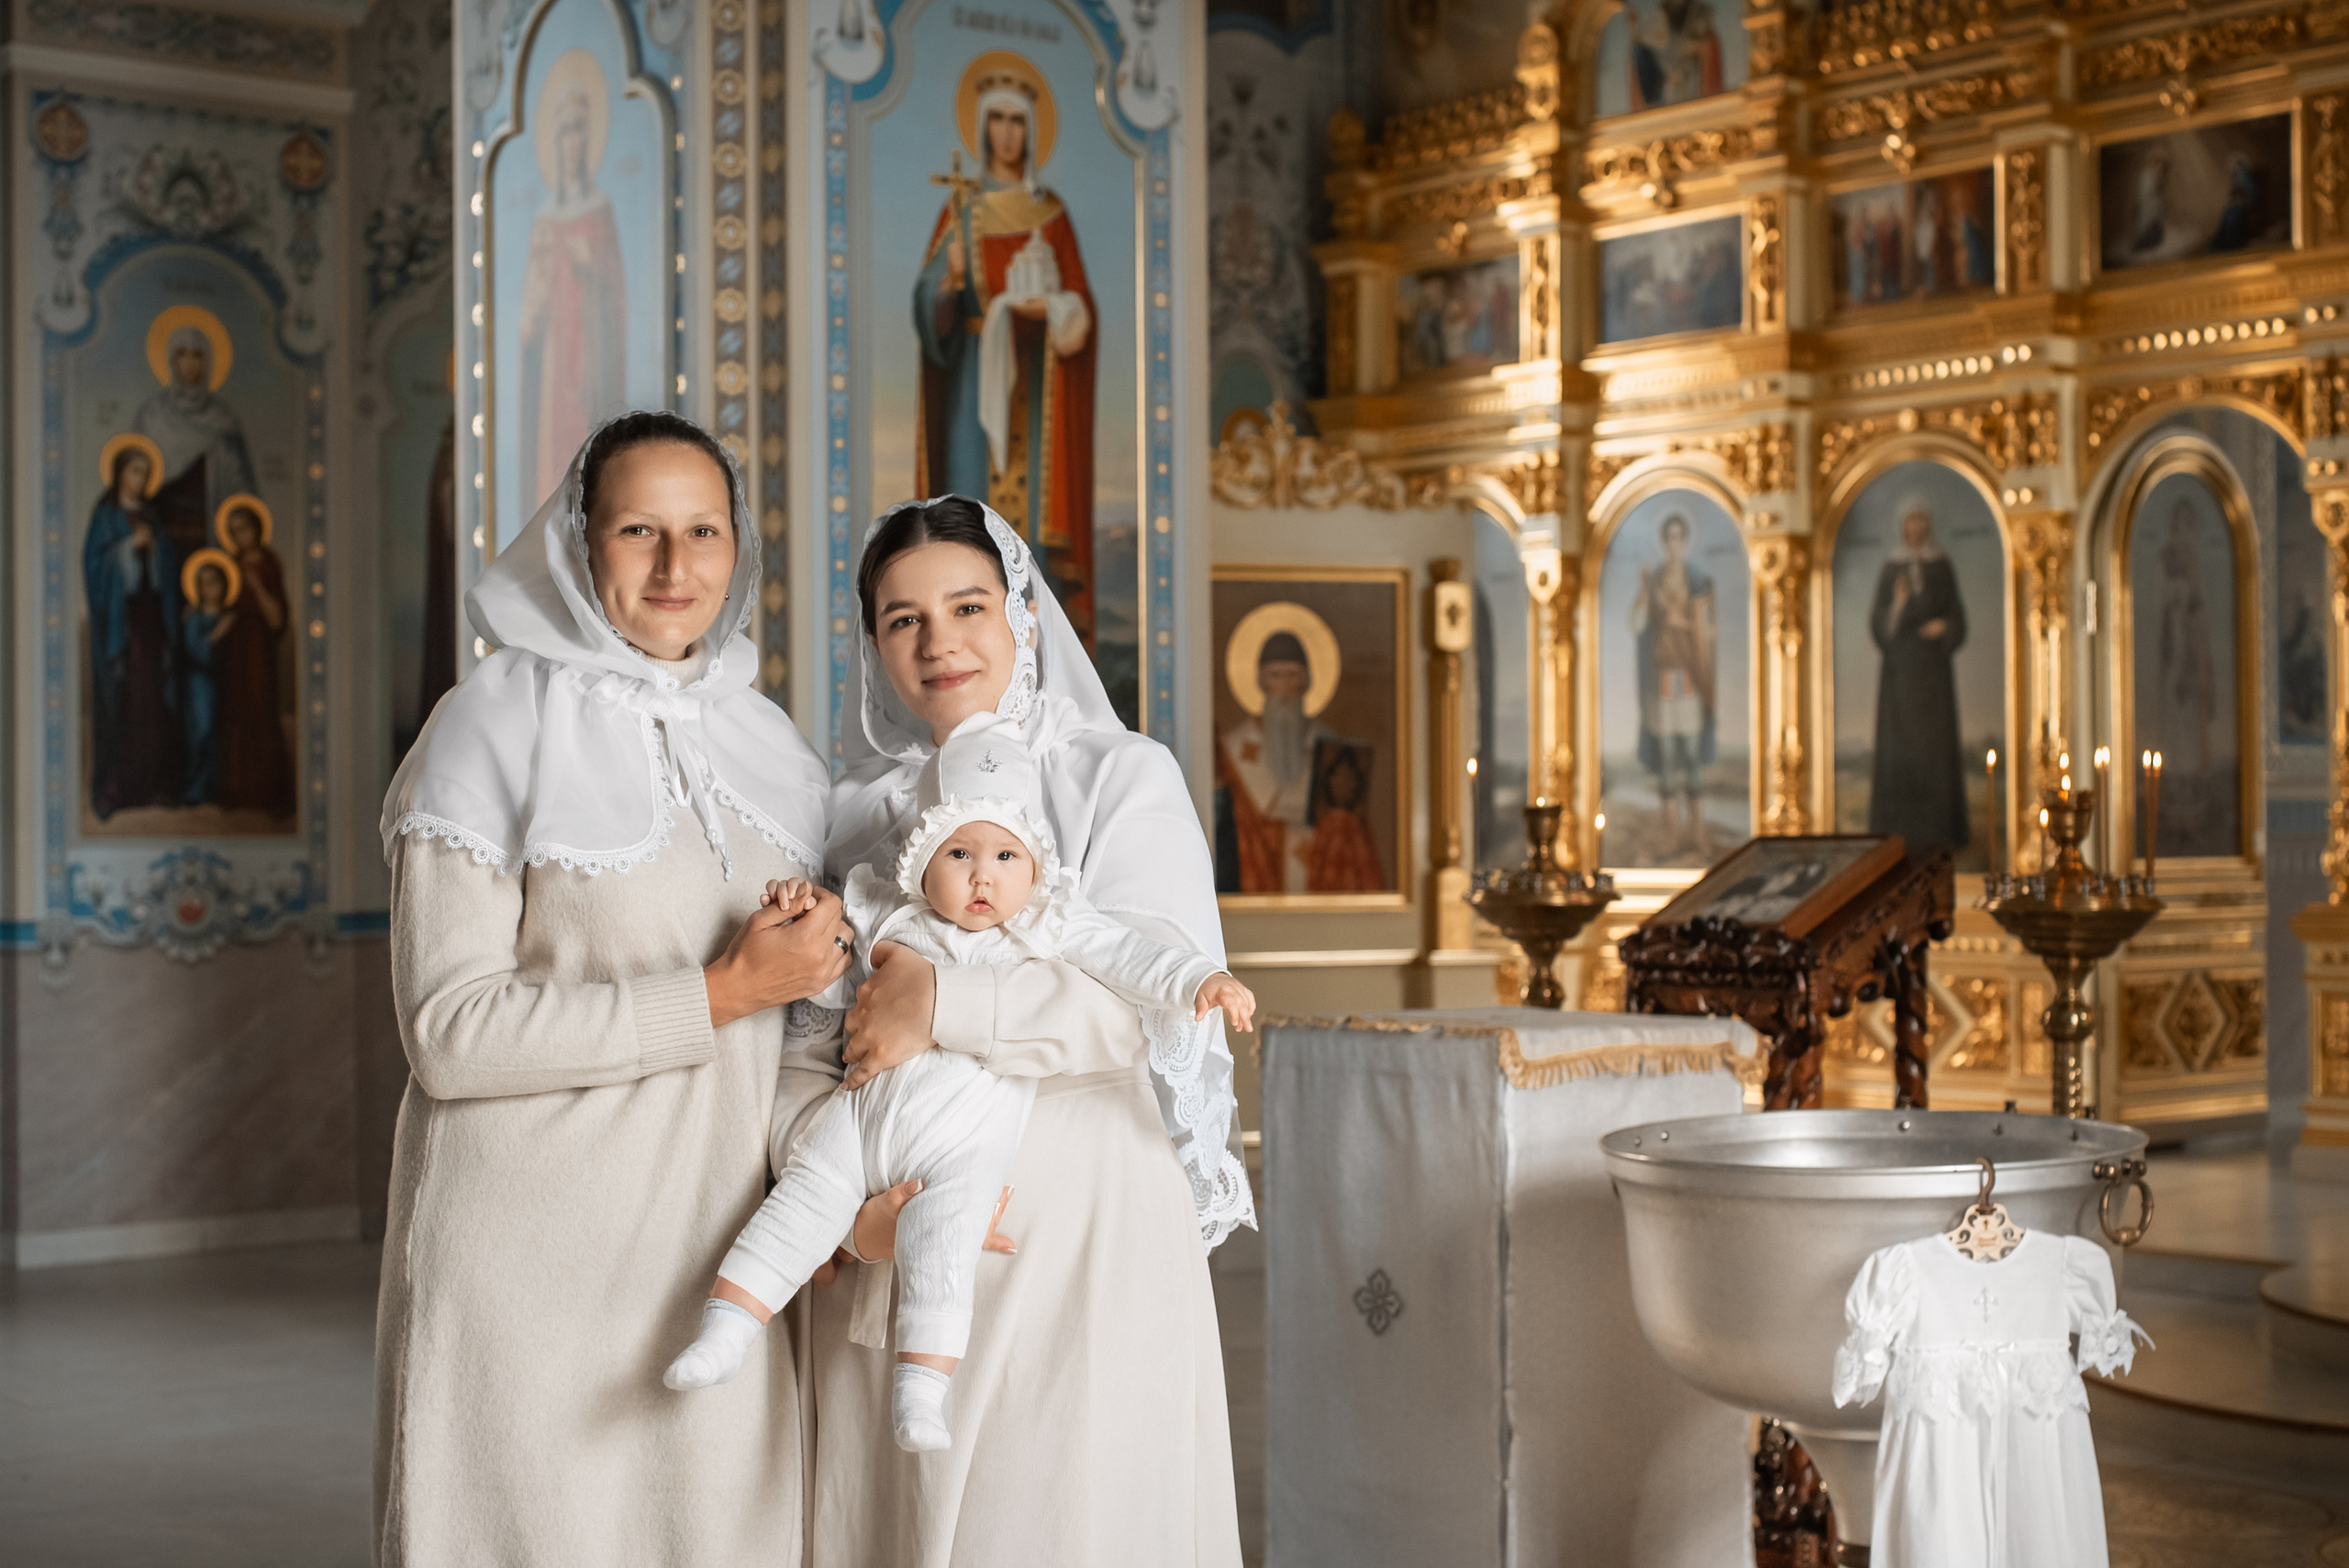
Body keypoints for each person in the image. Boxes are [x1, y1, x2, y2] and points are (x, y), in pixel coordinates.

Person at [373, 410, 860, 1565]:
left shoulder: (771, 745)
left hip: (717, 1257)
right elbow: (450, 1033)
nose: (674, 566)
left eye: (704, 530)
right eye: (637, 528)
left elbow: (801, 1021)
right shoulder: (490, 722)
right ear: (578, 545)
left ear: (742, 548)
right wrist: (719, 992)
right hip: (528, 1261)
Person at [813, 492, 1250, 1564]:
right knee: (907, 1521)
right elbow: (822, 1027)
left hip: (1084, 1216)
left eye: (968, 604)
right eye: (901, 618)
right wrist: (842, 1216)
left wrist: (941, 1003)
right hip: (901, 1213)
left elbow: (1149, 1003)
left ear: (1023, 614)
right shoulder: (858, 810)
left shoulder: (1118, 776)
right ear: (874, 645)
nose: (939, 640)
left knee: (1059, 1514)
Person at [663, 713, 1254, 1457]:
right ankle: (725, 1328)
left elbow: (1131, 955)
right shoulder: (886, 910)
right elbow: (824, 938)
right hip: (859, 1116)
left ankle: (921, 1387)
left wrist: (1201, 977)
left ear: (1034, 868)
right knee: (801, 1201)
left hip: (964, 1141)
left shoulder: (1046, 925)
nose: (984, 874)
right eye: (960, 851)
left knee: (946, 1247)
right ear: (921, 861)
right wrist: (798, 903)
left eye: (1007, 853)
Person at [913, 57, 1098, 637]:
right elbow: (929, 302)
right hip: (974, 382)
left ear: (1031, 131)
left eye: (1017, 121)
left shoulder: (1051, 214)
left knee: (1033, 524)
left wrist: (1057, 308)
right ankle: (971, 627)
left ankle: (1033, 642)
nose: (1007, 133)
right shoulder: (962, 209)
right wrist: (948, 284)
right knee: (972, 506)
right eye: (996, 119)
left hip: (1038, 386)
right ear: (983, 127)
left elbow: (1080, 307)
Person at [519, 77, 628, 513]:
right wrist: (536, 303)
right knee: (553, 444)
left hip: (588, 352)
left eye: (578, 129)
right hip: (553, 361)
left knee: (588, 428)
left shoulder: (600, 211)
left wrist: (592, 271)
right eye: (563, 131)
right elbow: (528, 309)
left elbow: (616, 294)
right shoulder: (544, 221)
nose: (571, 142)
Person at [84, 442, 185, 817]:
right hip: (121, 625)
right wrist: (127, 549)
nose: (139, 479)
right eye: (133, 470)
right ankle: (117, 787)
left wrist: (155, 549)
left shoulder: (152, 517)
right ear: (119, 474)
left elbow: (168, 567)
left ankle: (155, 783)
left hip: (151, 621)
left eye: (145, 472)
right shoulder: (106, 516)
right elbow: (94, 568)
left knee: (154, 702)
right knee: (126, 702)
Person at [1867, 503, 1970, 854]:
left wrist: (1945, 627)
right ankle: (1898, 832)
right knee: (1900, 748)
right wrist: (1897, 605)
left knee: (1934, 748)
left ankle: (1939, 831)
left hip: (1933, 672)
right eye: (1910, 520)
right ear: (1903, 525)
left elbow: (1957, 616)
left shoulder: (1941, 565)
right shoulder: (1891, 568)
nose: (1915, 527)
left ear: (1928, 524)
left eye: (1921, 520)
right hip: (1899, 675)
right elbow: (1879, 625)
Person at [134, 322, 257, 559]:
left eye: (197, 355)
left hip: (207, 529)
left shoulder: (223, 420)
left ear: (207, 361)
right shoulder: (152, 415)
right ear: (171, 360)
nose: (190, 363)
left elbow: (240, 488)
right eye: (183, 354)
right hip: (162, 529)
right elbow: (134, 480)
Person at [1632, 513, 1717, 856]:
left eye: (1679, 537)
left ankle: (1696, 833)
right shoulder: (1653, 582)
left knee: (1693, 754)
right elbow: (1637, 623)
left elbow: (1708, 630)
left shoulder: (1697, 580)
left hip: (1690, 676)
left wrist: (1681, 622)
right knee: (1667, 756)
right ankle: (1672, 833)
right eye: (1669, 537)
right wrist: (1643, 593)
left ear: (1684, 541)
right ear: (1664, 542)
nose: (1674, 543)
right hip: (1664, 678)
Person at [214, 500, 295, 817]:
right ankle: (236, 792)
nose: (239, 537)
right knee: (235, 715)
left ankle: (269, 794)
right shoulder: (229, 566)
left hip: (258, 650)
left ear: (257, 529)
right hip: (234, 652)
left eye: (244, 529)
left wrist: (256, 585)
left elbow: (276, 619)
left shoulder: (269, 565)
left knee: (261, 713)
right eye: (233, 532)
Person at [180, 557, 235, 805]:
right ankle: (194, 788)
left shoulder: (230, 615)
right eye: (203, 584)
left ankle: (215, 788)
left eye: (214, 582)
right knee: (202, 731)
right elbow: (195, 649)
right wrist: (216, 634)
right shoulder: (194, 617)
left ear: (224, 585)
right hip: (200, 682)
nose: (209, 589)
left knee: (221, 734)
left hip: (225, 683)